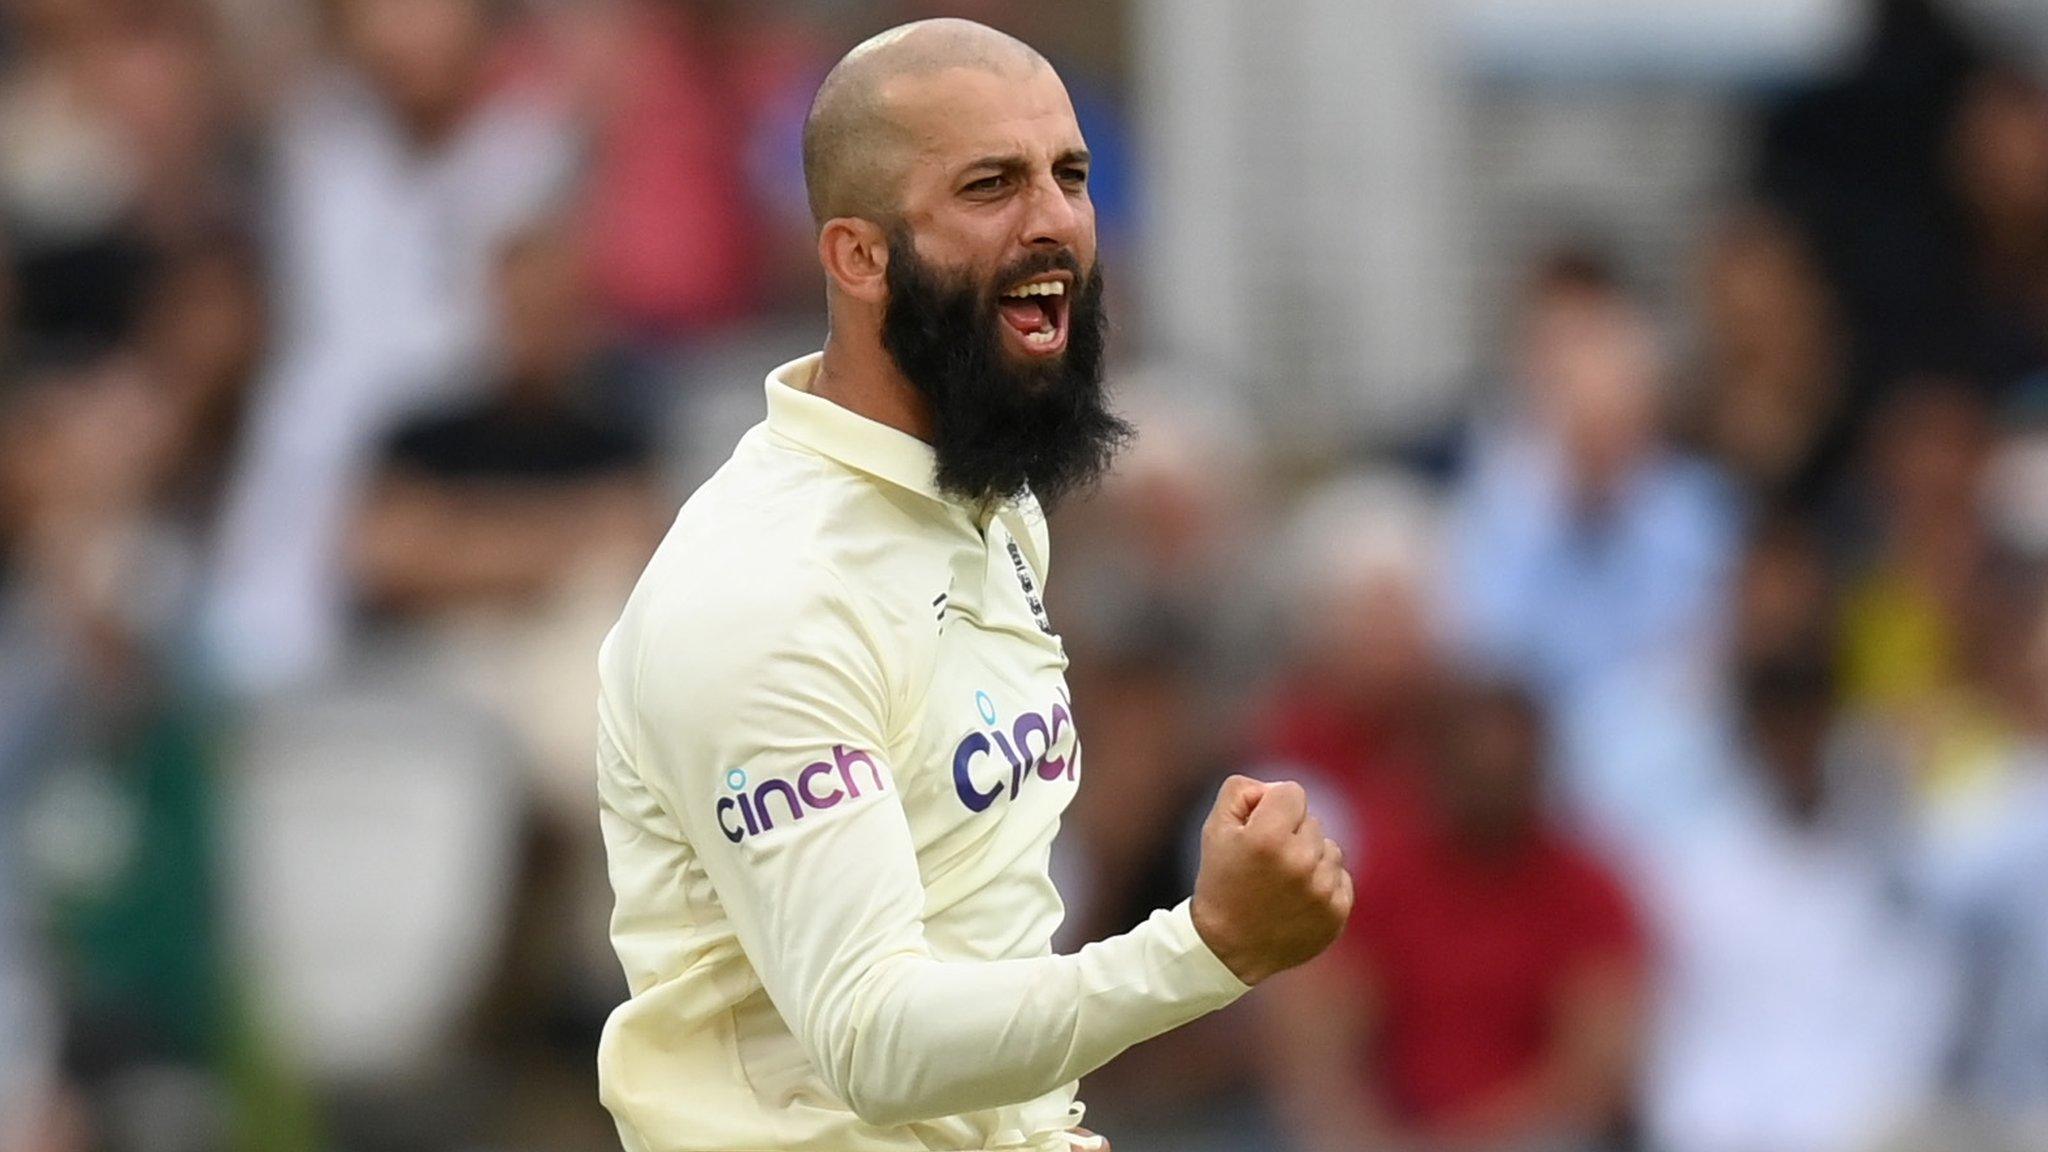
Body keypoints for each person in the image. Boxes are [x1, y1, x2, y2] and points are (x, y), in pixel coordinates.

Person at [591, 20, 1352, 1152]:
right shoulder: (764, 593)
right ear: (857, 256)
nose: (1050, 219)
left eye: (1070, 175)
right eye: (990, 185)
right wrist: (1203, 947)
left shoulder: (990, 506)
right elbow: (872, 1038)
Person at [1258, 680, 1648, 1152]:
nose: (1491, 785)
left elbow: (1595, 1066)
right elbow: (1318, 1029)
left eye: (1507, 772)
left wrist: (1467, 1142)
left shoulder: (1589, 889)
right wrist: (1366, 1135)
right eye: (1475, 770)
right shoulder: (1383, 874)